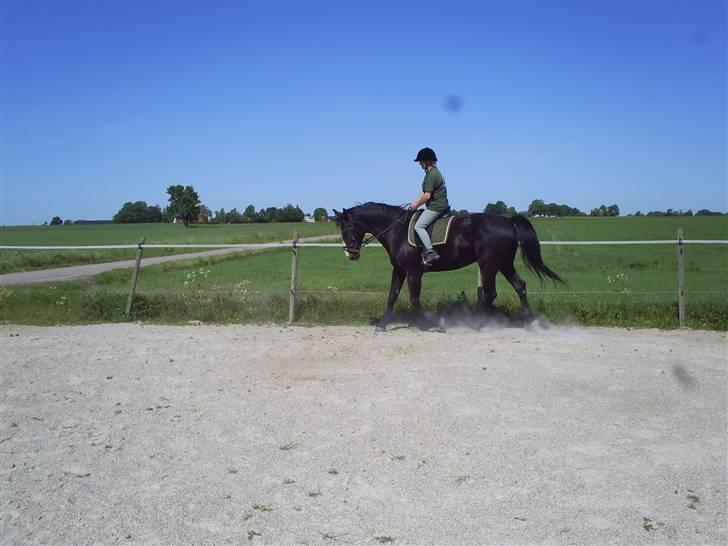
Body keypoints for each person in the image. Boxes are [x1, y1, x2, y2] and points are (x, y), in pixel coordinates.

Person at [410, 147, 449, 264]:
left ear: (427, 161)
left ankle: (430, 252)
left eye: (421, 162)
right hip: (437, 205)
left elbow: (427, 196)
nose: (420, 164)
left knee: (419, 226)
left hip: (436, 207)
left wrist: (416, 205)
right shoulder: (431, 173)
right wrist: (414, 203)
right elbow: (424, 191)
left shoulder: (432, 175)